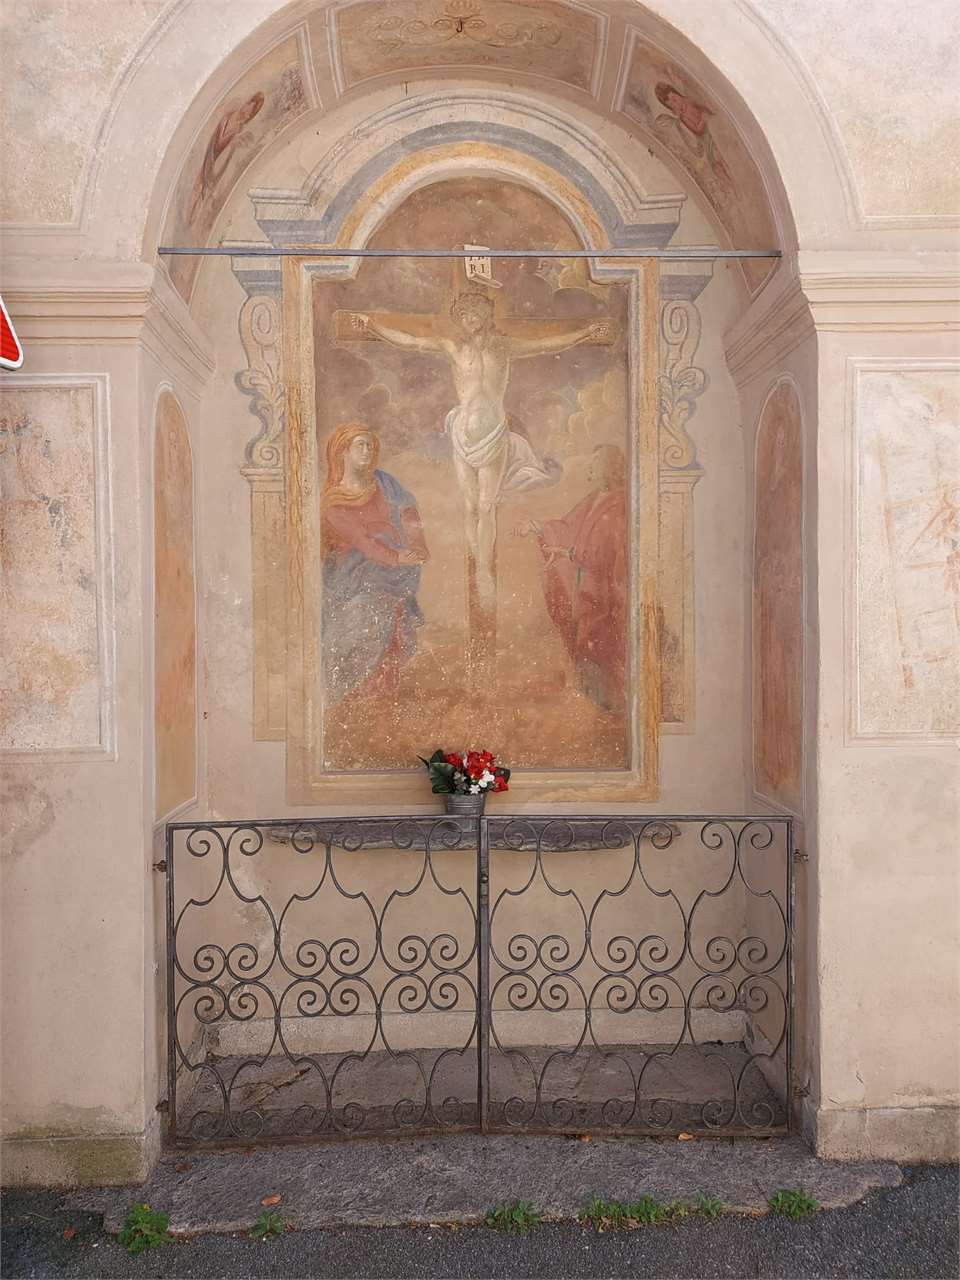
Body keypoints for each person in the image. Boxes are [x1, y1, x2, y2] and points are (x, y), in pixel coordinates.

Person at [351, 291, 613, 601]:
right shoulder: (454, 347)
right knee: (470, 506)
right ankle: (478, 562)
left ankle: (484, 570)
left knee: (487, 506)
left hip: (493, 434)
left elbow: (547, 344)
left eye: (474, 313)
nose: (469, 320)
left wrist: (584, 334)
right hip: (463, 434)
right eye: (463, 316)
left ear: (486, 314)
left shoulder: (504, 346)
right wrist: (374, 327)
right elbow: (410, 341)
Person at [320, 422, 428, 703]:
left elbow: (407, 508)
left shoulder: (382, 481)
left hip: (392, 570)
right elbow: (362, 541)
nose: (367, 451)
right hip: (354, 575)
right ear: (342, 451)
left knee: (393, 625)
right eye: (360, 445)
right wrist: (396, 557)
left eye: (370, 445)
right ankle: (354, 692)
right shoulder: (333, 501)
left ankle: (381, 692)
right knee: (368, 619)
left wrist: (417, 542)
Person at [515, 444, 627, 712]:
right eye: (591, 465)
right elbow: (567, 527)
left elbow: (605, 550)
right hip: (586, 590)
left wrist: (569, 552)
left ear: (610, 468)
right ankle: (596, 702)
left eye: (596, 464)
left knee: (599, 642)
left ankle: (609, 705)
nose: (590, 470)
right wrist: (537, 527)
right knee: (585, 641)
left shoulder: (620, 503)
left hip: (607, 593)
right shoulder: (594, 498)